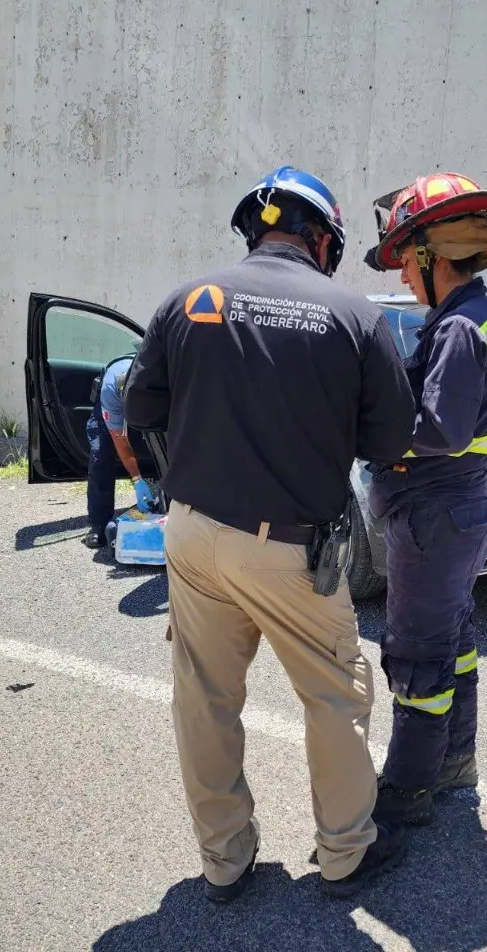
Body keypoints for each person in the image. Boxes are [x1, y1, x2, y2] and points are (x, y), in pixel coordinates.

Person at [122, 166, 416, 902]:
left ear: (254, 230)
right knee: (335, 694)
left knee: (204, 697)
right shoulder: (355, 317)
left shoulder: (189, 300)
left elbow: (139, 409)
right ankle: (345, 852)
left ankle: (224, 861)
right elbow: (391, 440)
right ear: (323, 239)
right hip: (291, 548)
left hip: (192, 533)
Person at [361, 172, 487, 825]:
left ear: (434, 255)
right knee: (454, 641)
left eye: (406, 260)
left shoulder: (458, 327)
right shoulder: (476, 316)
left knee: (419, 653)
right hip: (458, 510)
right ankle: (455, 762)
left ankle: (408, 791)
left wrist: (370, 431)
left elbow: (440, 429)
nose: (402, 275)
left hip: (433, 515)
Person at [83, 355, 155, 549]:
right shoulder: (112, 389)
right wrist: (137, 480)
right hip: (108, 408)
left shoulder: (160, 383)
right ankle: (99, 523)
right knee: (100, 455)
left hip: (151, 402)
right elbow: (119, 439)